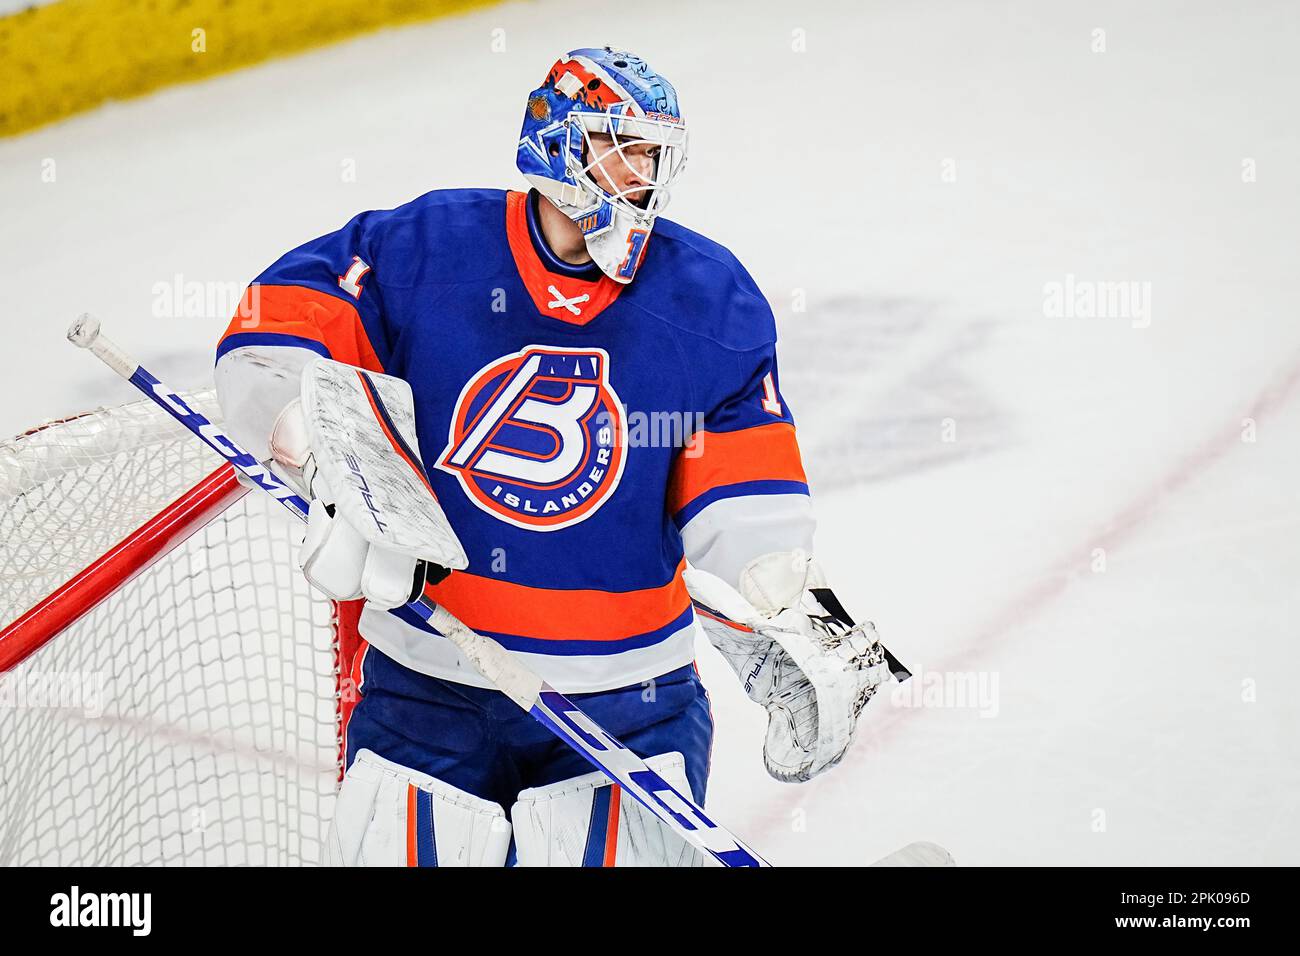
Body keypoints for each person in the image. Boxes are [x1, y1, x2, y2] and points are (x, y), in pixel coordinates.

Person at [214, 46, 892, 867]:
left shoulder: (708, 296)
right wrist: (326, 457)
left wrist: (788, 601)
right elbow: (269, 331)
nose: (642, 174)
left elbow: (741, 487)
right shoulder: (424, 248)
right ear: (559, 140)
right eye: (623, 145)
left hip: (629, 701)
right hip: (427, 682)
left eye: (653, 154)